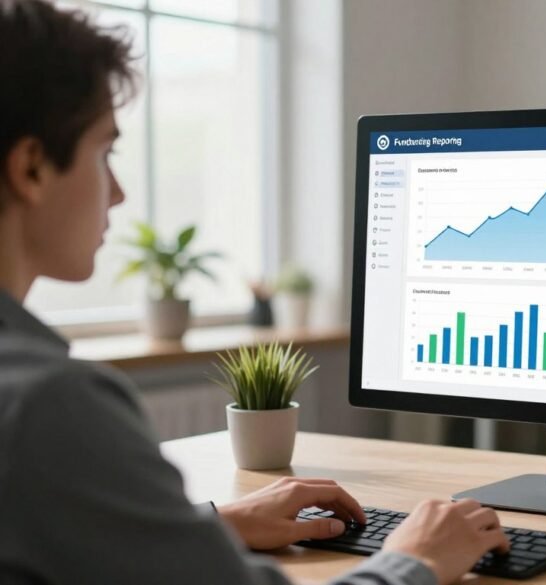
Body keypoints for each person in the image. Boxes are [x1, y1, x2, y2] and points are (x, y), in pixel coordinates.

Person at [0, 1, 509, 584]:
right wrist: (415, 559)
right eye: (104, 151)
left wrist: (208, 526)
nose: (115, 193)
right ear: (32, 166)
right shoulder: (48, 408)